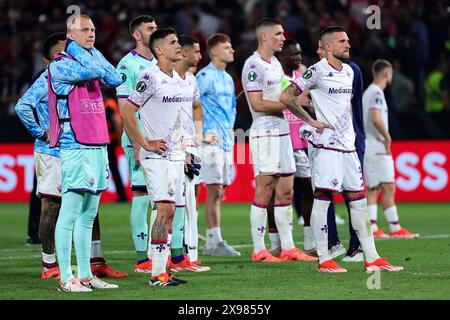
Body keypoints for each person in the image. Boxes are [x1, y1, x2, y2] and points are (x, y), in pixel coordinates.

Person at [280, 26, 403, 273]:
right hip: (326, 146)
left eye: (347, 40)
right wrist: (311, 121)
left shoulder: (349, 71)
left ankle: (372, 258)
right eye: (342, 41)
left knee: (358, 202)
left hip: (348, 146)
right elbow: (287, 96)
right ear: (327, 47)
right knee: (323, 199)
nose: (348, 44)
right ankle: (324, 259)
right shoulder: (316, 71)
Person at [49, 14, 122, 292]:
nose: (91, 33)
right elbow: (92, 73)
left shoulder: (90, 56)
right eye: (84, 30)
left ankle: (87, 274)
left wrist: (93, 53)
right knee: (69, 212)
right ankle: (66, 278)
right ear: (70, 35)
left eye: (93, 29)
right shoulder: (60, 64)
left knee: (89, 213)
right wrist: (88, 54)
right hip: (75, 144)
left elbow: (114, 77)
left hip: (97, 142)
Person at [241, 18, 317, 263]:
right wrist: (288, 105)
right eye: (278, 34)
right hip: (265, 133)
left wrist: (310, 115)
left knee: (286, 191)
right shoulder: (253, 65)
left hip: (283, 133)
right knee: (265, 190)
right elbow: (257, 103)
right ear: (264, 37)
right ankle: (259, 250)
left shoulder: (274, 63)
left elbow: (289, 94)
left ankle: (288, 247)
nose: (283, 38)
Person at [121, 27, 189, 286]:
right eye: (173, 42)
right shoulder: (149, 78)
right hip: (156, 155)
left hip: (174, 154)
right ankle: (156, 273)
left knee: (170, 211)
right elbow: (127, 113)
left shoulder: (177, 79)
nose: (178, 46)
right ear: (158, 49)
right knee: (164, 209)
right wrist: (144, 143)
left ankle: (163, 269)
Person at [16, 32, 66, 279]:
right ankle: (49, 264)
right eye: (60, 52)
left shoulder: (76, 76)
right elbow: (22, 106)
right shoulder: (46, 78)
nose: (66, 55)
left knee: (78, 207)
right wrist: (41, 131)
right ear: (47, 60)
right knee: (51, 205)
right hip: (51, 150)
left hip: (76, 149)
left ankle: (73, 263)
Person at [115, 15, 158, 273]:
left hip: (162, 141)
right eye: (150, 28)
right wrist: (138, 143)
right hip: (140, 140)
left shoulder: (160, 63)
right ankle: (143, 259)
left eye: (156, 27)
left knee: (162, 199)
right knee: (141, 196)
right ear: (137, 35)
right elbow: (124, 110)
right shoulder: (127, 66)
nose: (155, 31)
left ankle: (161, 254)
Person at [362, 59, 419, 239]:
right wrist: (387, 136)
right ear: (387, 73)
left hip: (369, 146)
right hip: (376, 146)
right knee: (382, 188)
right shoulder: (377, 93)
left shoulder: (368, 92)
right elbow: (375, 117)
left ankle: (385, 227)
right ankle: (387, 228)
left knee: (378, 188)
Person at [195, 33, 241, 257]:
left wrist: (231, 129)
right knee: (212, 190)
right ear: (214, 52)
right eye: (226, 47)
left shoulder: (228, 78)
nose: (231, 50)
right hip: (208, 142)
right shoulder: (204, 76)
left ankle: (210, 240)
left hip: (225, 141)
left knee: (219, 191)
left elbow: (231, 107)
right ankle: (212, 241)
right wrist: (201, 134)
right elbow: (190, 104)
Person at [170, 34, 210, 272]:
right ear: (183, 52)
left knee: (188, 201)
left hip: (188, 146)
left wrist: (196, 140)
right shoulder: (166, 79)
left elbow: (196, 107)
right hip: (171, 149)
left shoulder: (191, 79)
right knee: (167, 204)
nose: (199, 55)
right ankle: (166, 256)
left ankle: (186, 256)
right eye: (196, 51)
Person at [273, 38, 316, 256]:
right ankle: (276, 244)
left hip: (301, 143)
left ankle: (309, 242)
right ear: (282, 56)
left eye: (300, 54)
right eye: (294, 55)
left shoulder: (301, 76)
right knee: (279, 193)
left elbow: (310, 102)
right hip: (281, 141)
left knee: (307, 188)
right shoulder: (275, 76)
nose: (298, 58)